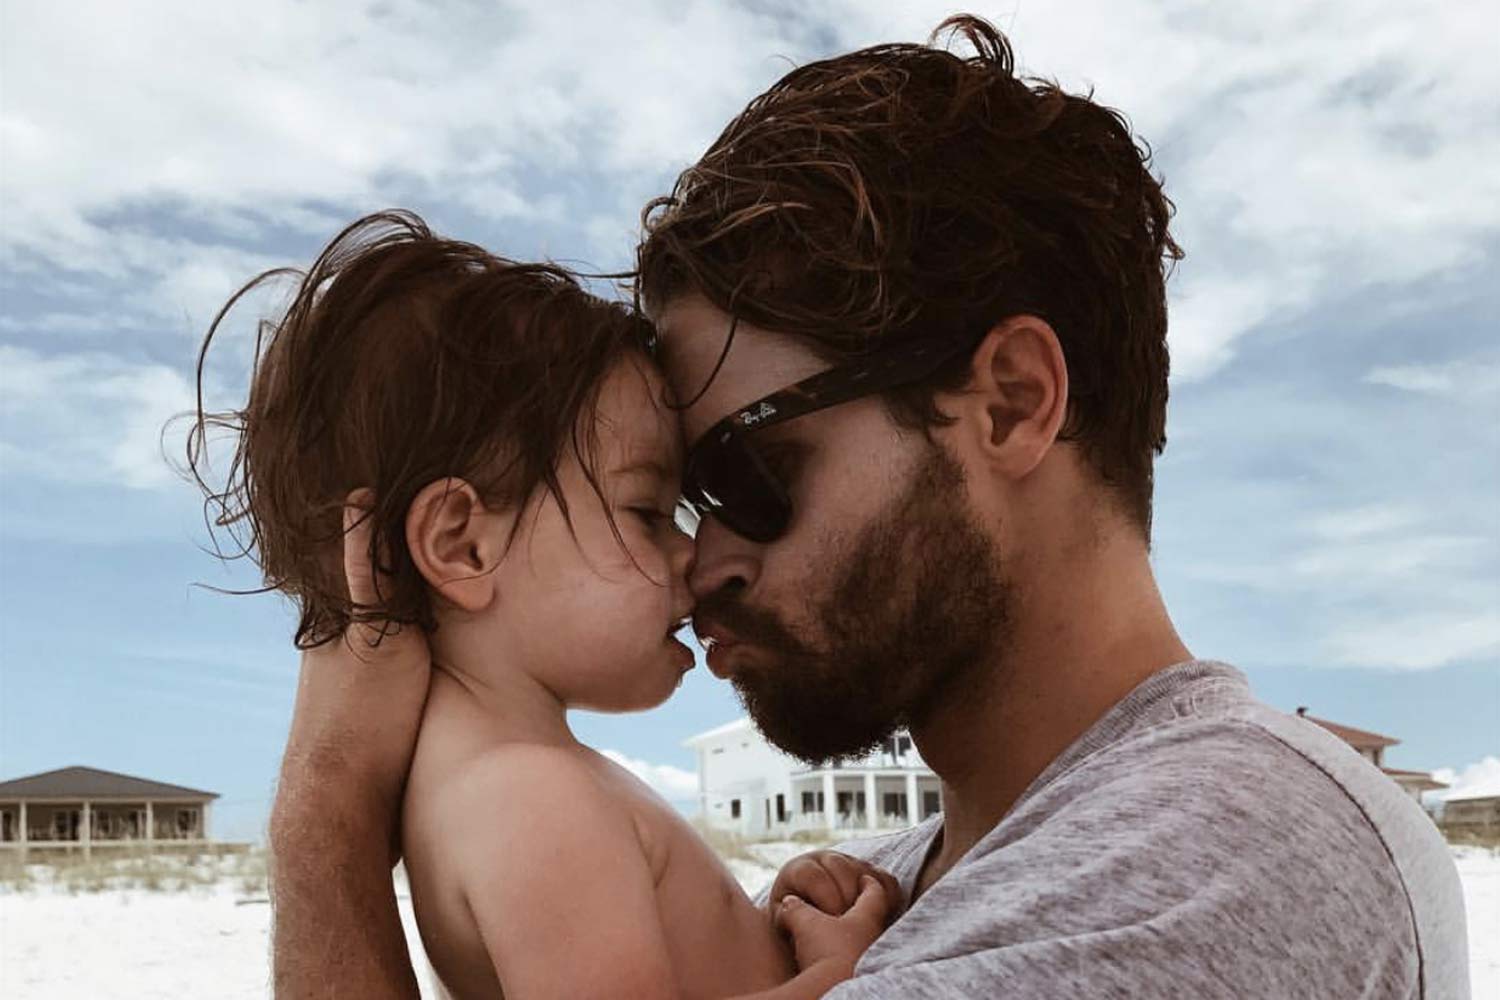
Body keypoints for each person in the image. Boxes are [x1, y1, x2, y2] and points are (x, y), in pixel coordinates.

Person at [265, 15, 1470, 1000]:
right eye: (668, 500)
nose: (703, 559)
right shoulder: (900, 889)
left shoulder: (1216, 859)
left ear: (1007, 403)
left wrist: (328, 812)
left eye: (745, 471)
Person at [190, 212, 905, 999]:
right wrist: (843, 972)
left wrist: (754, 923)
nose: (692, 555)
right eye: (646, 512)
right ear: (462, 545)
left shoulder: (496, 790)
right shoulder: (534, 799)